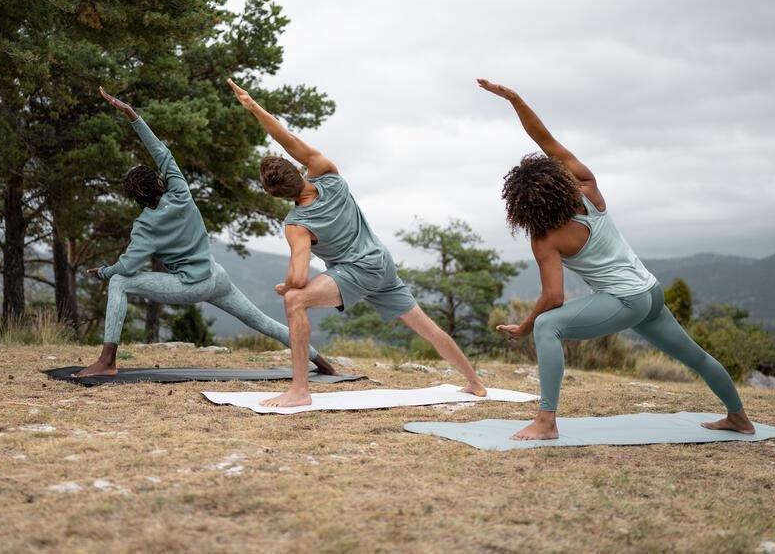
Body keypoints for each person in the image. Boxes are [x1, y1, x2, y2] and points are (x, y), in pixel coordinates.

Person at [478, 78, 754, 440]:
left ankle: (546, 422)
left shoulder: (545, 238)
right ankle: (739, 417)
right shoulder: (587, 186)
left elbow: (553, 299)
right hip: (649, 292)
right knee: (696, 357)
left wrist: (526, 324)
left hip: (625, 300)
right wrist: (514, 99)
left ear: (521, 207)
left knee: (548, 326)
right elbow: (544, 140)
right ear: (556, 178)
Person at [227, 78, 487, 407]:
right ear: (299, 169)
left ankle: (299, 390)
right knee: (427, 328)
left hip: (357, 271)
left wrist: (287, 285)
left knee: (295, 300)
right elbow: (288, 138)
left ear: (275, 195)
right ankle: (476, 383)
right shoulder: (328, 174)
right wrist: (253, 107)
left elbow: (298, 276)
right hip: (381, 262)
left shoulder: (297, 224)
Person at [75, 87, 336, 378]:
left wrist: (105, 272)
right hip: (216, 276)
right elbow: (161, 152)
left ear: (137, 199)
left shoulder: (145, 226)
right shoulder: (180, 191)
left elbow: (127, 267)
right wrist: (132, 115)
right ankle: (323, 363)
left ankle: (107, 361)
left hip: (192, 285)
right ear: (159, 181)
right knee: (260, 321)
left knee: (120, 281)